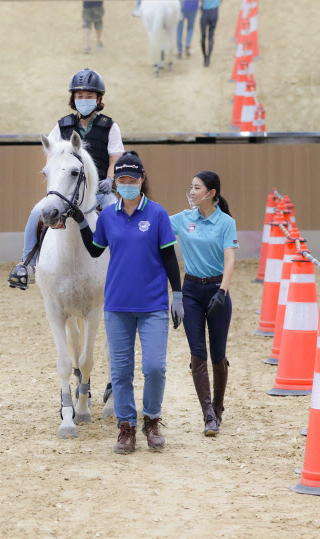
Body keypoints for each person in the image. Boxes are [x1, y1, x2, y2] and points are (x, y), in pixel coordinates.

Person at [70, 151, 184, 454]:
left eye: (132, 179)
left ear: (142, 180)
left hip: (154, 305)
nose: (127, 183)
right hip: (117, 306)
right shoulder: (108, 216)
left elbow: (169, 257)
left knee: (155, 367)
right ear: (116, 184)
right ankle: (126, 426)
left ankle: (151, 420)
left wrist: (179, 294)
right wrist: (82, 222)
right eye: (121, 179)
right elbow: (96, 251)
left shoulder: (157, 214)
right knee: (120, 372)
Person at [8, 68, 124, 290]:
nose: (84, 100)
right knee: (36, 213)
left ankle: (122, 267)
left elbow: (115, 159)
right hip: (67, 191)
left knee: (115, 215)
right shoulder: (62, 125)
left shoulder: (110, 126)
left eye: (89, 96)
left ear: (98, 99)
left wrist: (110, 180)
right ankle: (27, 265)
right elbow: (52, 157)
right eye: (79, 96)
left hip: (99, 190)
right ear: (73, 99)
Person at [170, 171, 238, 436]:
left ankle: (218, 409)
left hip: (217, 289)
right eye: (191, 186)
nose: (192, 191)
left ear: (211, 193)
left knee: (218, 355)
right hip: (191, 290)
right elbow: (154, 223)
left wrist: (222, 291)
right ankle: (208, 414)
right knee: (197, 353)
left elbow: (230, 259)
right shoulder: (183, 218)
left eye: (197, 188)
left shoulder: (225, 222)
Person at [200, 0, 222, 66]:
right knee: (211, 36)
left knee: (203, 37)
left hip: (205, 12)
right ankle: (208, 57)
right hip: (214, 11)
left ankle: (205, 57)